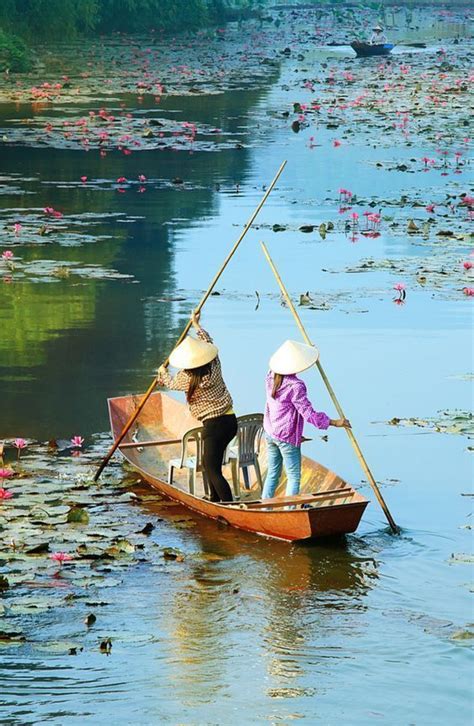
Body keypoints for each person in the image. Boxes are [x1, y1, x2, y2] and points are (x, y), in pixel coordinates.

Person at [157, 311, 237, 503]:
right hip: (230, 421)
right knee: (210, 464)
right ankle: (215, 500)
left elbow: (169, 382)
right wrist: (197, 325)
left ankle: (228, 505)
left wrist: (161, 371)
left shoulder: (187, 378)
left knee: (211, 468)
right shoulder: (215, 365)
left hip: (214, 426)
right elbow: (209, 343)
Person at [262, 340, 351, 500]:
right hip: (286, 436)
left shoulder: (270, 376)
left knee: (273, 472)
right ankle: (290, 510)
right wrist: (334, 422)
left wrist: (311, 353)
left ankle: (265, 503)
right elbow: (308, 414)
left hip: (270, 432)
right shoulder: (296, 386)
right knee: (294, 476)